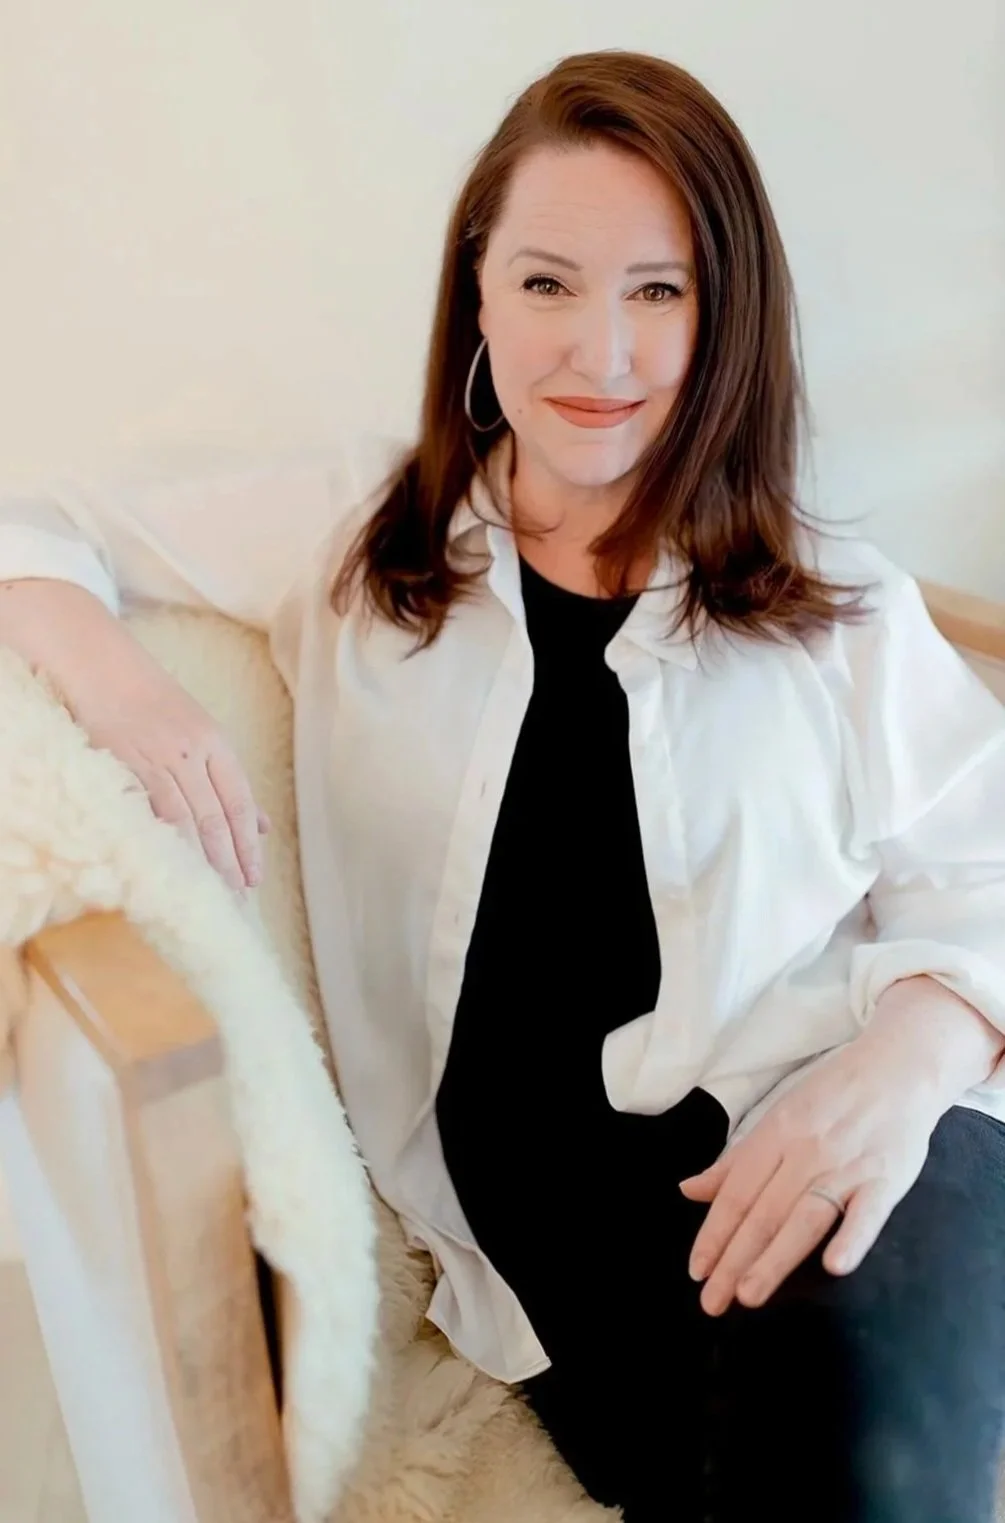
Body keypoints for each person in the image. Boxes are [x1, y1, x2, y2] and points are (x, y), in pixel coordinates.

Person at [1, 47, 1004, 1523]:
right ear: (477, 293)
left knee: (868, 1464)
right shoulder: (363, 538)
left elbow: (984, 861)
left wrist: (900, 1068)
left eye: (659, 291)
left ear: (724, 316)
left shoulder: (829, 599)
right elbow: (36, 531)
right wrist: (135, 695)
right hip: (565, 1276)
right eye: (548, 282)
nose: (599, 354)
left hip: (856, 1160)